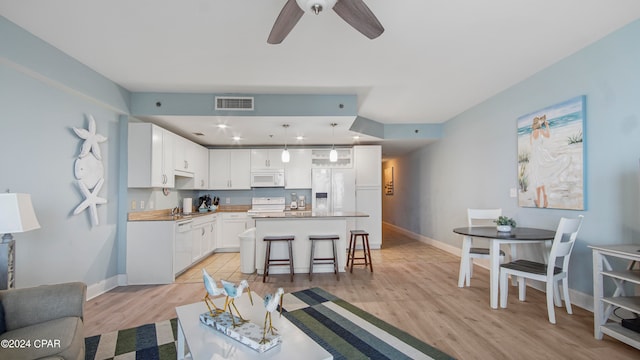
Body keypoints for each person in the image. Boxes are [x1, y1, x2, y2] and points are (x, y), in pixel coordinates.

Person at [529, 115, 551, 207]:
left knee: (537, 178)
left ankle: (539, 200)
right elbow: (548, 136)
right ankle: (545, 198)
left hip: (534, 156)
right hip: (540, 155)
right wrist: (547, 126)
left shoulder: (531, 133)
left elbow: (531, 144)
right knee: (540, 178)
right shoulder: (540, 131)